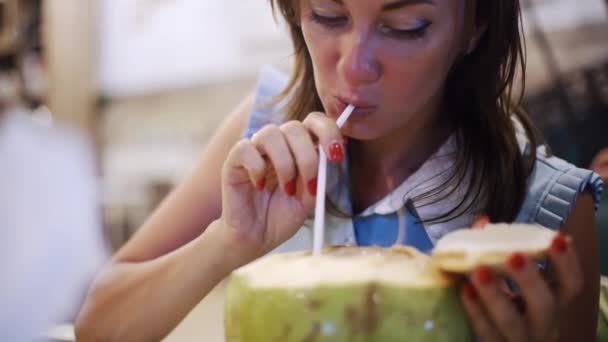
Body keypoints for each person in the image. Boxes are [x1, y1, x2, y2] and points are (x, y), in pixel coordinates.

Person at [75, 0, 604, 341]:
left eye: (404, 27)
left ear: (474, 28)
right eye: (328, 16)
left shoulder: (546, 217)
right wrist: (228, 242)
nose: (354, 66)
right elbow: (99, 325)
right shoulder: (264, 128)